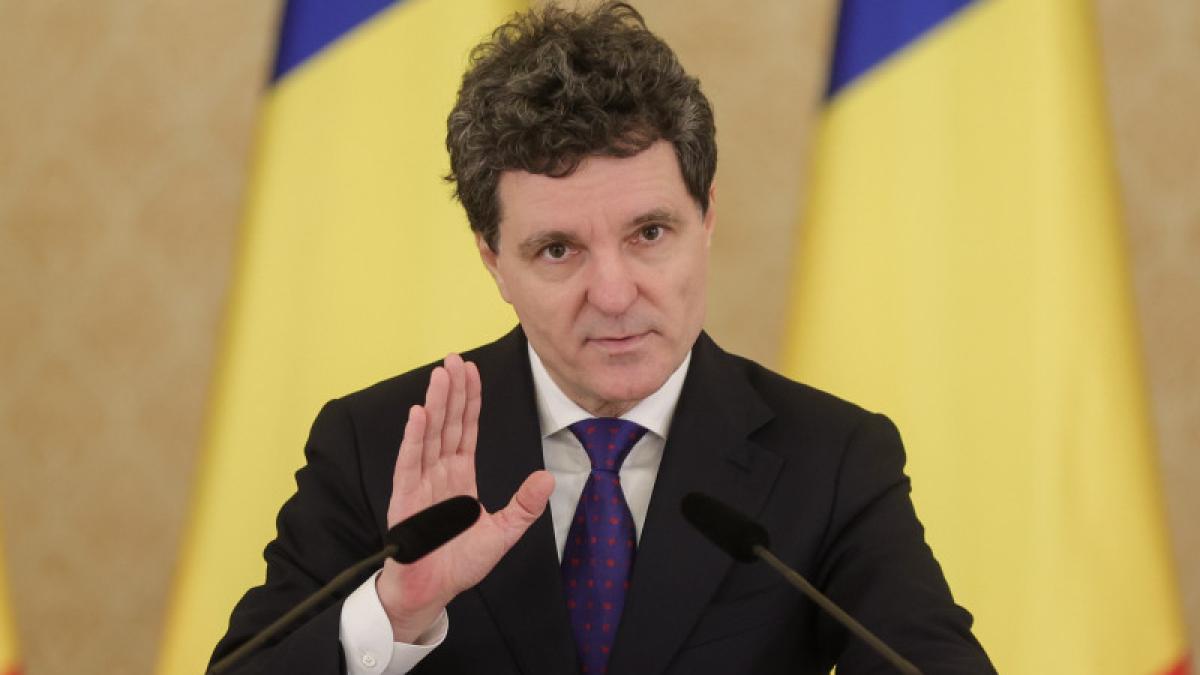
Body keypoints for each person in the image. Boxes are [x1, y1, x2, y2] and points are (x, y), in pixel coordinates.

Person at [211, 3, 995, 673]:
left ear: (707, 219)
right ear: (493, 259)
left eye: (649, 233)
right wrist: (394, 611)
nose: (615, 294)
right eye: (559, 250)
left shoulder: (831, 458)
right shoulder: (378, 443)